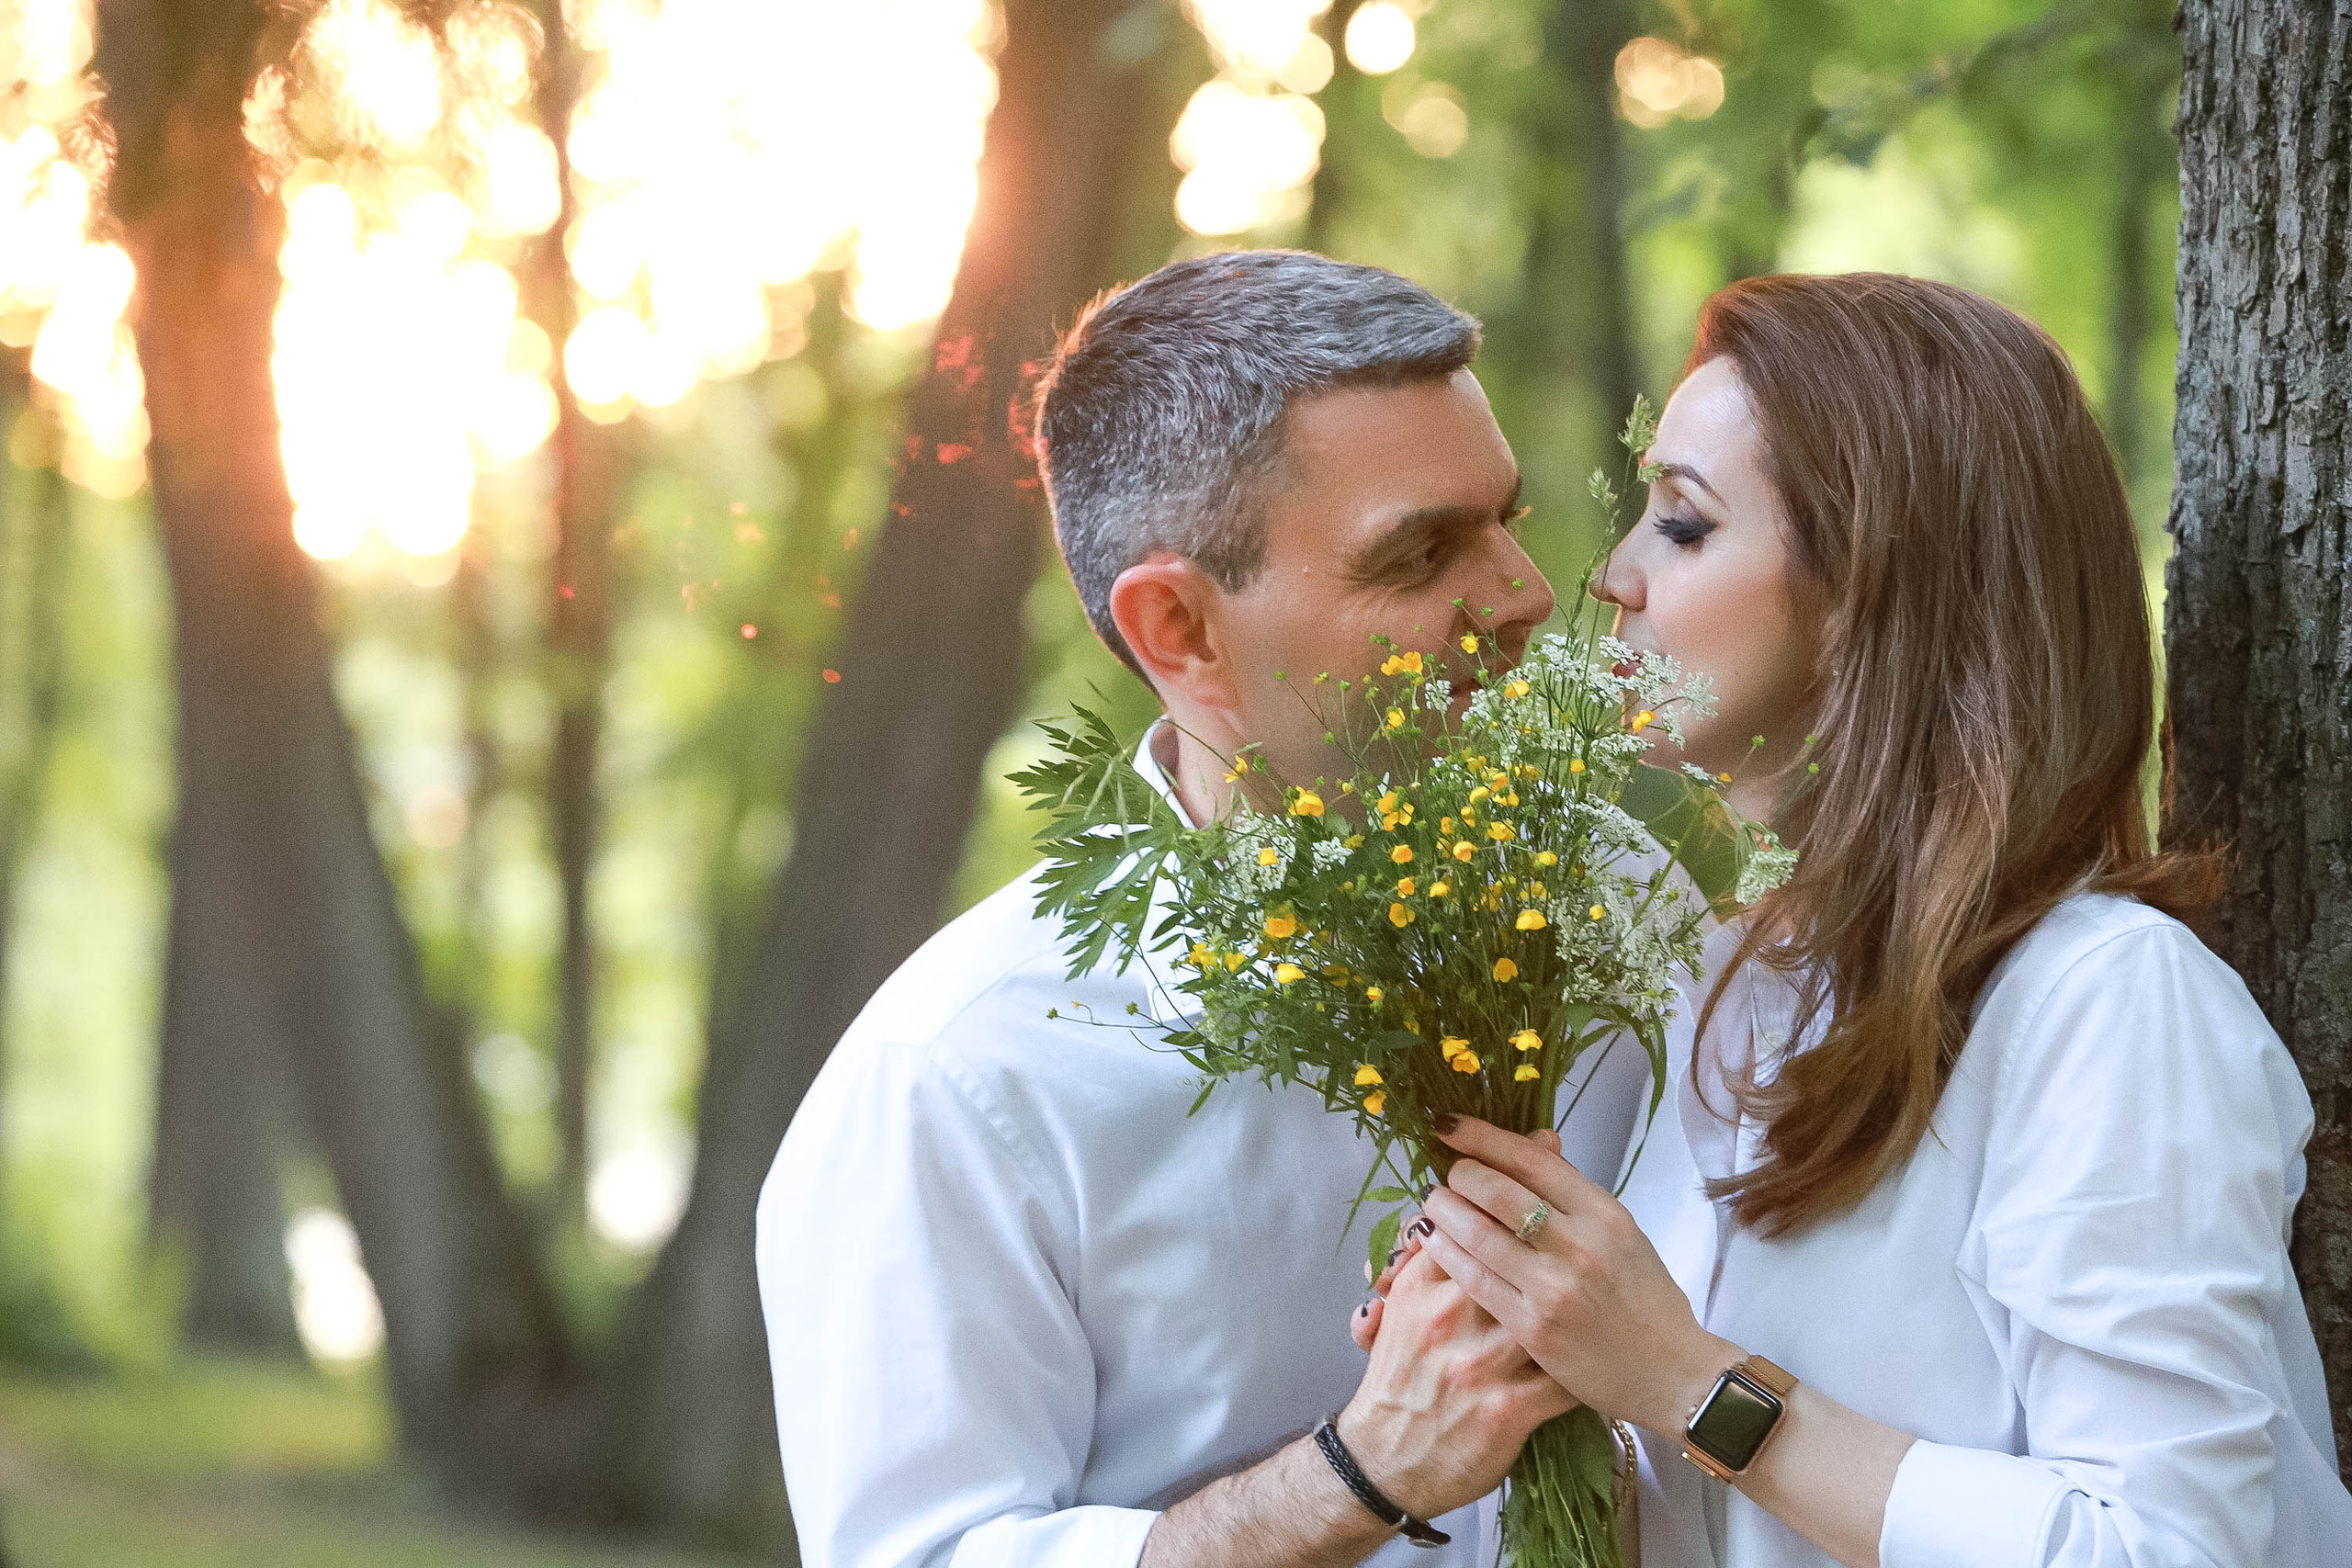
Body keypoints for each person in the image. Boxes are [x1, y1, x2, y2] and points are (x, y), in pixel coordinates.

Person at [1371, 272, 2352, 1565]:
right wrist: (1533, 1372)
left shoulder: (2108, 1005)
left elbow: (2169, 1549)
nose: (1610, 575)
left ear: (1875, 589)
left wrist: (1686, 1383)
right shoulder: (1717, 982)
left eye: (1682, 522)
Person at [756, 250, 1653, 1568]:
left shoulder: (1630, 899)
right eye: (1421, 553)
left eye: (1506, 520)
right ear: (1178, 629)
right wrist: (1355, 1477)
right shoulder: (958, 1082)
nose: (1522, 595)